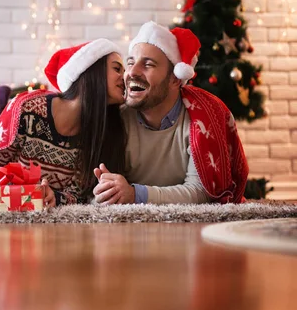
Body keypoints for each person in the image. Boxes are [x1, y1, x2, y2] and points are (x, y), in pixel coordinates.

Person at [93, 21, 248, 205]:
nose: (132, 72)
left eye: (148, 64)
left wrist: (136, 195)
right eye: (131, 62)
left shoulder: (204, 118)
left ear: (175, 79)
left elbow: (202, 192)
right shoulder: (115, 117)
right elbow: (98, 192)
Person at [0, 39, 126, 206]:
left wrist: (54, 197)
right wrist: (2, 198)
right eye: (117, 69)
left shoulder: (103, 132)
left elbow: (79, 196)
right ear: (90, 71)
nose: (124, 77)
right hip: (2, 209)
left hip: (45, 219)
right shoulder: (29, 108)